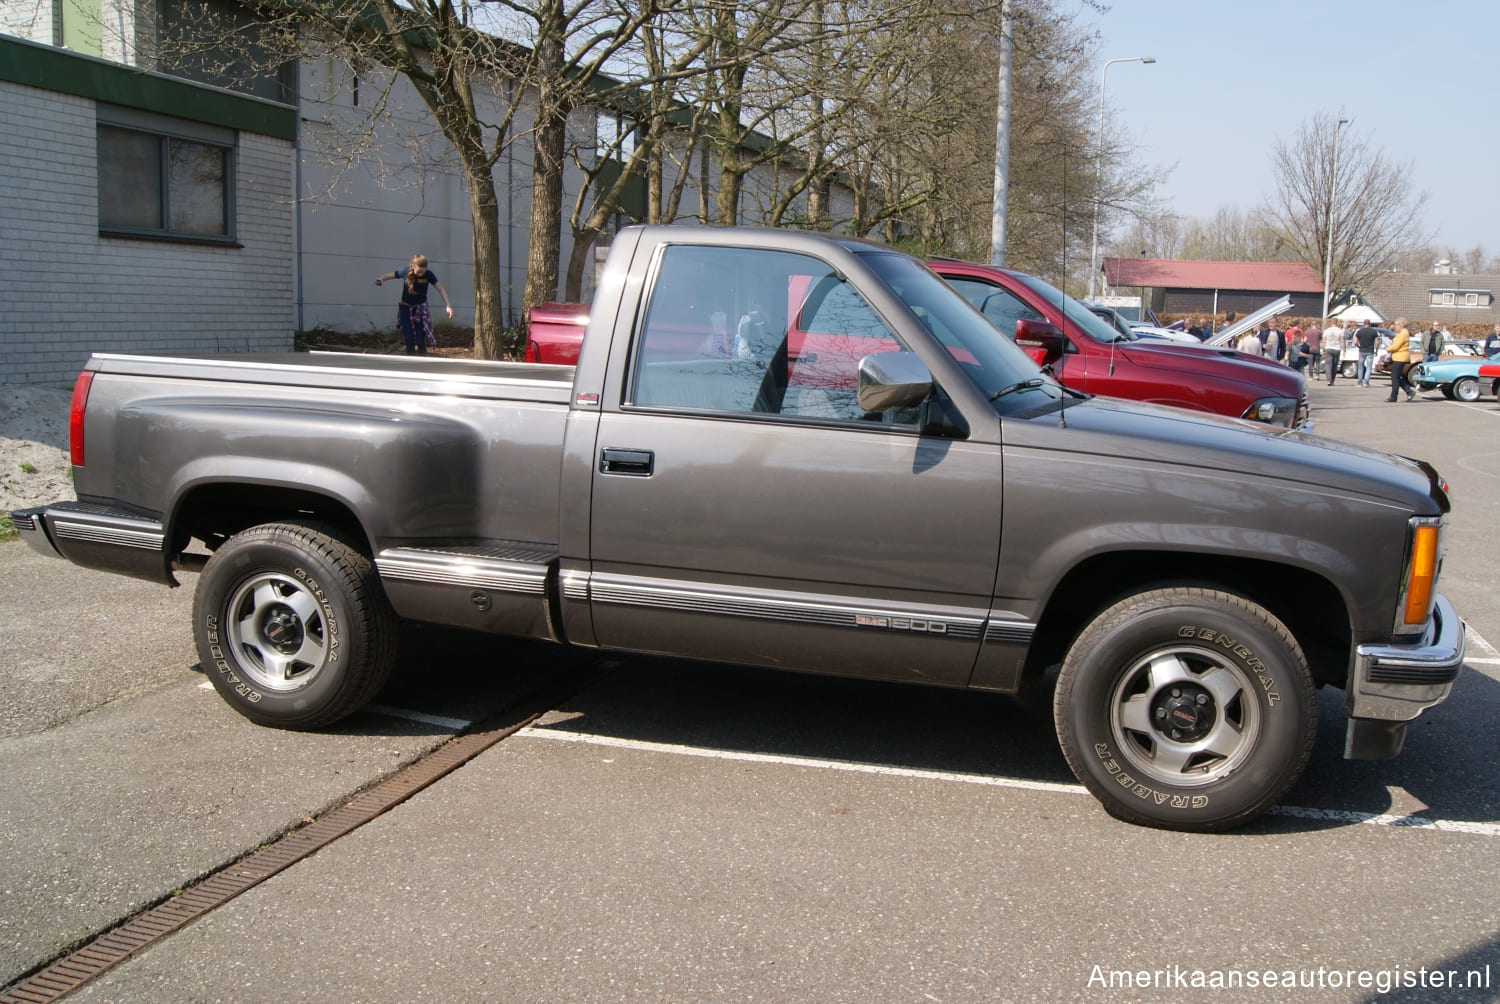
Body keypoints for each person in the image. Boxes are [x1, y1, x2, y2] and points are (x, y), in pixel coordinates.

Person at [375, 254, 453, 355]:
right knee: (408, 334)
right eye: (419, 272)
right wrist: (380, 279)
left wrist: (448, 306)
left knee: (420, 334)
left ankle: (422, 355)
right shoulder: (405, 271)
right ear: (413, 266)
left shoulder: (429, 275)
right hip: (405, 307)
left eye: (423, 272)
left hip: (420, 308)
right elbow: (389, 276)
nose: (421, 274)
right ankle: (410, 356)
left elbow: (441, 289)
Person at [1386, 318, 1415, 402]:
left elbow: (1396, 346)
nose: (1395, 327)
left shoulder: (1403, 334)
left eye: (1396, 325)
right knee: (1396, 376)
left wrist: (1388, 348)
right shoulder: (1401, 333)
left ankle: (1394, 396)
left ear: (1400, 325)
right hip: (1398, 357)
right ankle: (1409, 391)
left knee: (1395, 377)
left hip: (1400, 357)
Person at [1354, 321, 1380, 386]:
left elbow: (1355, 342)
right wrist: (1376, 351)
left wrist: (1359, 346)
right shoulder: (1373, 331)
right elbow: (1377, 342)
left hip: (1362, 350)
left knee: (1360, 366)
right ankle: (1366, 382)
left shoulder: (1359, 331)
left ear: (1363, 324)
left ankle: (1359, 382)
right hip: (1370, 351)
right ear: (1369, 324)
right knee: (1369, 367)